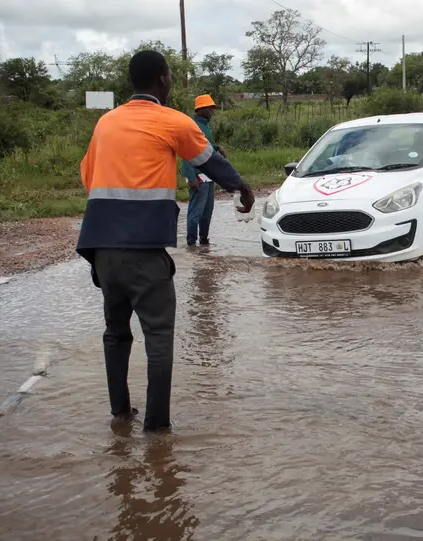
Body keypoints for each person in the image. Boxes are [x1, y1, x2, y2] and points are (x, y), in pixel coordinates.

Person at [76, 50, 255, 432]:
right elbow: (210, 161)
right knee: (158, 336)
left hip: (101, 250)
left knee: (115, 332)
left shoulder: (105, 123)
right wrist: (242, 187)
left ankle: (120, 413)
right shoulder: (172, 120)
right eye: (171, 75)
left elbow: (88, 178)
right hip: (143, 249)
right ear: (161, 80)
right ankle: (157, 430)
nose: (172, 81)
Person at [182, 94, 227, 246]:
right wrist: (191, 177)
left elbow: (204, 146)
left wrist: (217, 148)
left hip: (208, 174)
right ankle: (191, 244)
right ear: (200, 109)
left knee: (207, 212)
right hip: (197, 176)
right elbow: (186, 152)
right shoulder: (191, 126)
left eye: (212, 108)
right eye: (209, 108)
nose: (212, 111)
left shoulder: (205, 126)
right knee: (196, 212)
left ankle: (204, 241)